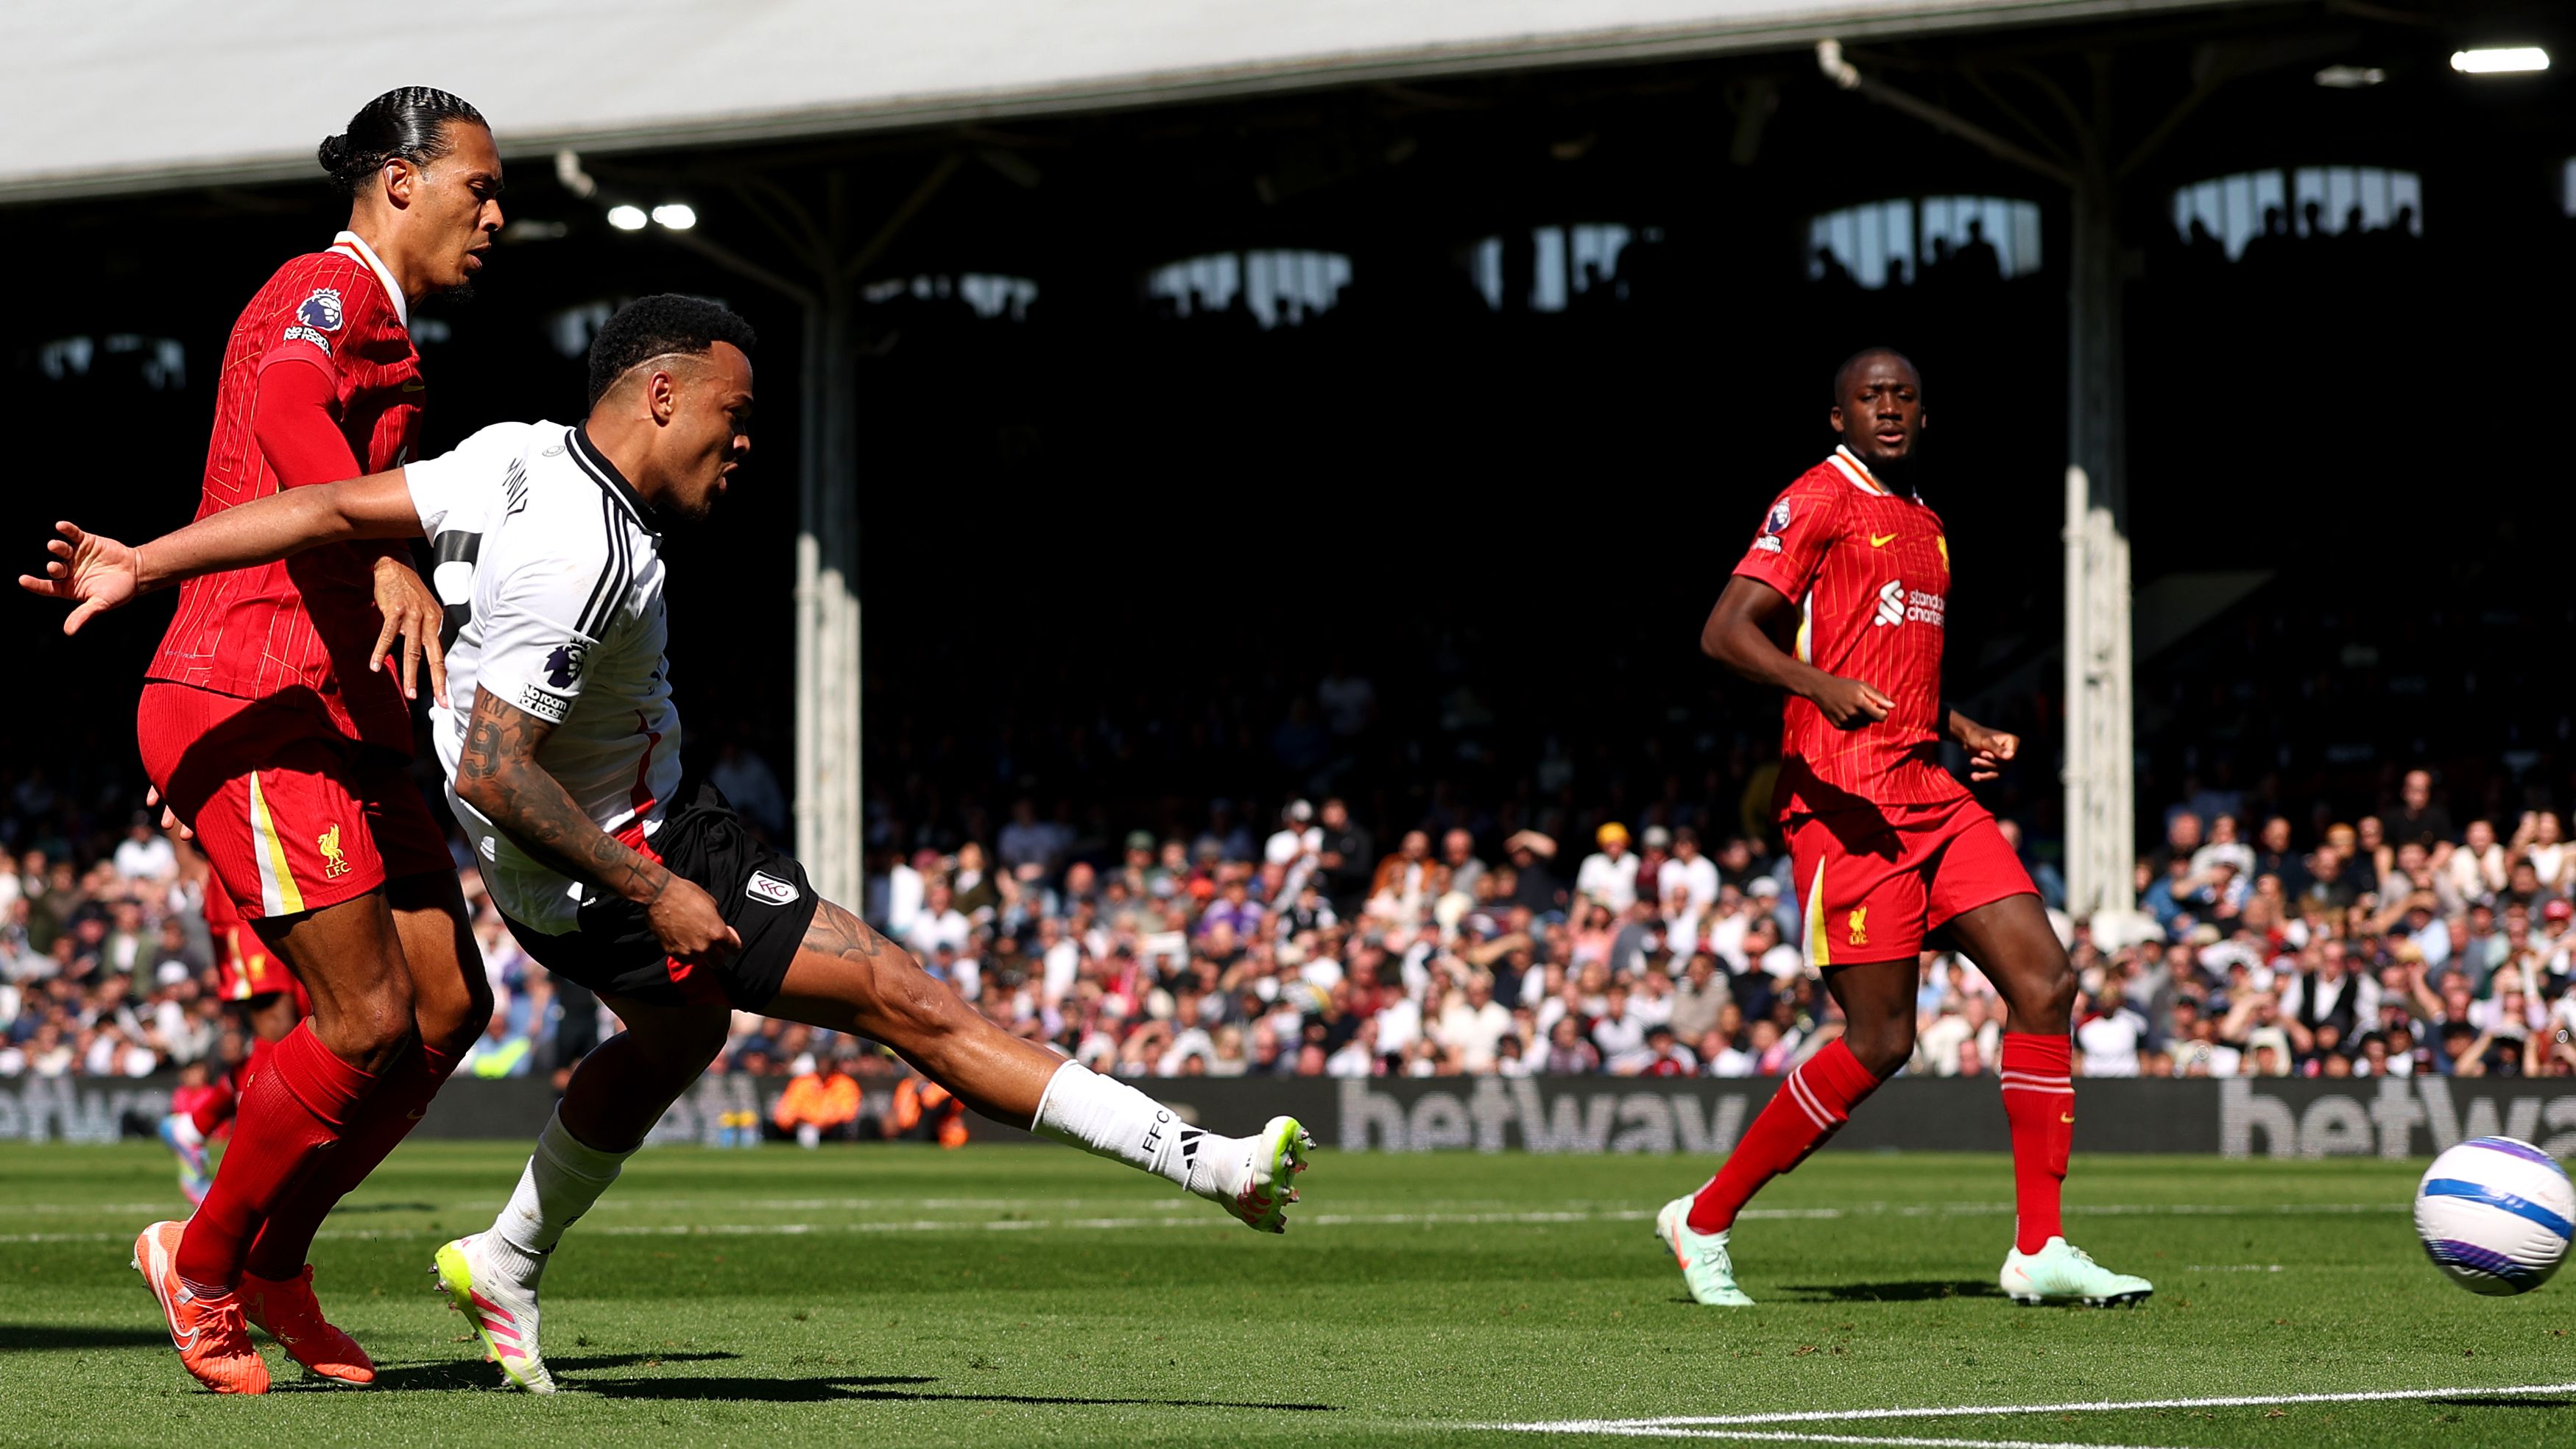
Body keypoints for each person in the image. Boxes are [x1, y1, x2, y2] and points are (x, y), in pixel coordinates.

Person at [27, 295, 1313, 1397]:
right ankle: (1210, 1164)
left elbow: (321, 514)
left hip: (637, 827)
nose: (745, 442)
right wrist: (654, 889)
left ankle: (504, 1265)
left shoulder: (516, 455)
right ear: (658, 393)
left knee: (682, 1035)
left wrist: (149, 564)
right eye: (731, 414)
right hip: (611, 857)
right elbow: (492, 771)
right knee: (901, 997)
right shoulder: (582, 557)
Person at [22, 89, 504, 1395]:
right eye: (481, 186)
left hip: (343, 711)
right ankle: (203, 1257)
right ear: (400, 182)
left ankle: (277, 1259)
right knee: (360, 1019)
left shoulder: (392, 328)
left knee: (450, 1008)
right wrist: (387, 545)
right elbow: (295, 417)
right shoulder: (322, 289)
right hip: (248, 689)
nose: (497, 214)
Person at [1653, 349, 2149, 1310]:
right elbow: (1725, 631)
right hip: (1844, 802)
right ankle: (1705, 1216)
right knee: (1881, 1042)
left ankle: (2039, 1248)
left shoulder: (1926, 522)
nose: (1888, 408)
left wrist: (1958, 725)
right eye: (1869, 397)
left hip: (1929, 789)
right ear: (1836, 417)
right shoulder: (1816, 498)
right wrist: (1817, 686)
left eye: (1904, 396)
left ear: (1926, 415)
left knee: (2047, 984)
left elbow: (1885, 663)